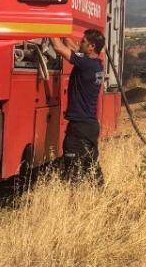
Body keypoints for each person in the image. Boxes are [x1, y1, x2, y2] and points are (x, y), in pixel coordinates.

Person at [50, 30, 106, 186]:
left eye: (83, 41)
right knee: (91, 166)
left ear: (92, 46)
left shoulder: (86, 64)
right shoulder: (96, 64)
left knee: (72, 172)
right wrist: (62, 29)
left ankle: (74, 206)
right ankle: (101, 196)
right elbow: (74, 48)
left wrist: (48, 26)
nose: (79, 43)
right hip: (90, 126)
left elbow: (58, 47)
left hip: (79, 127)